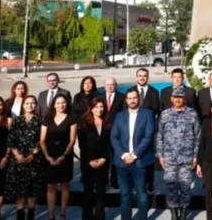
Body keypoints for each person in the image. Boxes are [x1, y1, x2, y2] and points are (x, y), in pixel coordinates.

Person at [157, 86, 201, 220]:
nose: (178, 99)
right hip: (169, 158)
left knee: (185, 186)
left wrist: (195, 156)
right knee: (171, 186)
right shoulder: (165, 114)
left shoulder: (192, 114)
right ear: (171, 98)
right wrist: (160, 155)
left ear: (184, 98)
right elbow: (160, 135)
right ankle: (173, 213)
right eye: (175, 97)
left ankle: (183, 213)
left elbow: (198, 135)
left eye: (180, 97)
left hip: (187, 158)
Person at [111, 87, 155, 220]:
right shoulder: (119, 116)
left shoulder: (147, 114)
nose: (132, 100)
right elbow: (114, 137)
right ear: (126, 100)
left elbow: (148, 136)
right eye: (129, 98)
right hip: (122, 162)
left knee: (141, 193)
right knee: (125, 194)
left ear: (139, 98)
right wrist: (124, 155)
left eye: (135, 98)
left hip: (140, 161)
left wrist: (134, 155)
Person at [40, 94, 77, 220]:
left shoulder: (71, 118)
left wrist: (64, 156)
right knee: (51, 186)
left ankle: (62, 212)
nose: (61, 105)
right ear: (54, 104)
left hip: (65, 156)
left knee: (65, 184)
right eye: (58, 103)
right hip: (50, 155)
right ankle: (50, 214)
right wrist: (47, 156)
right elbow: (42, 140)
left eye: (64, 103)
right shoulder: (48, 118)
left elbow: (72, 140)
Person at [5, 95, 43, 220]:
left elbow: (42, 140)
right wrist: (17, 155)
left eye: (32, 103)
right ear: (23, 105)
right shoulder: (17, 120)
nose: (30, 105)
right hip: (18, 160)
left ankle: (31, 214)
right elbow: (11, 139)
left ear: (36, 105)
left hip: (34, 159)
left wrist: (33, 154)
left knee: (32, 190)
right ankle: (20, 215)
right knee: (20, 191)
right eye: (27, 103)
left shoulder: (40, 120)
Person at [77, 98, 112, 220]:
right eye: (96, 107)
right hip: (88, 162)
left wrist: (103, 158)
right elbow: (82, 145)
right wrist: (90, 161)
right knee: (88, 192)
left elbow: (109, 143)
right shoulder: (84, 123)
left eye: (101, 107)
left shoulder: (108, 122)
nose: (99, 109)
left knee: (101, 193)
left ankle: (100, 217)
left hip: (103, 162)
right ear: (91, 108)